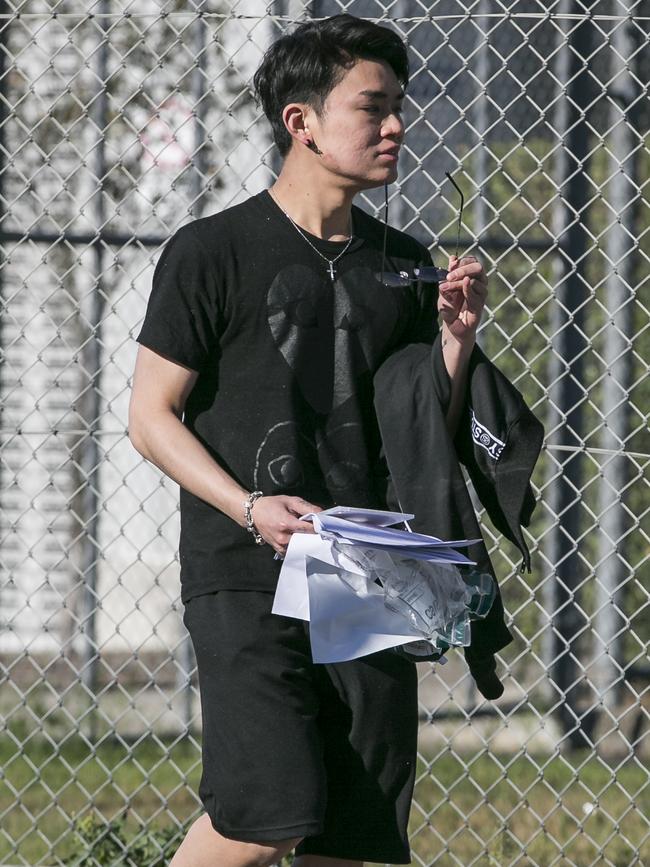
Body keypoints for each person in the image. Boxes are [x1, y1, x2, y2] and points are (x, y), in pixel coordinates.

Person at [129, 13, 491, 867]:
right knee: (267, 812)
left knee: (355, 832)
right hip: (244, 566)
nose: (397, 124)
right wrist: (247, 506)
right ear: (301, 122)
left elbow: (423, 444)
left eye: (401, 104)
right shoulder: (211, 251)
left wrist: (454, 343)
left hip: (366, 568)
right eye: (374, 107)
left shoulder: (403, 261)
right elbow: (150, 417)